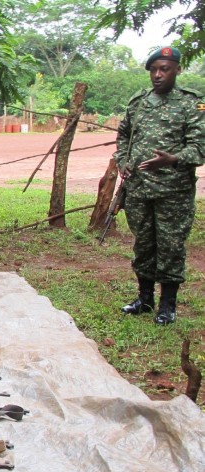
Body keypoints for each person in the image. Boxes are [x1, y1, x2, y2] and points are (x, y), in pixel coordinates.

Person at [116, 46, 205, 325]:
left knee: (170, 246)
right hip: (139, 190)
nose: (158, 75)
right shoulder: (139, 102)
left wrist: (173, 159)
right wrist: (122, 161)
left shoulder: (193, 104)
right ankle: (144, 299)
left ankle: (167, 306)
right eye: (154, 69)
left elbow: (200, 148)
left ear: (177, 69)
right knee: (143, 244)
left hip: (173, 192)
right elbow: (123, 135)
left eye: (164, 69)